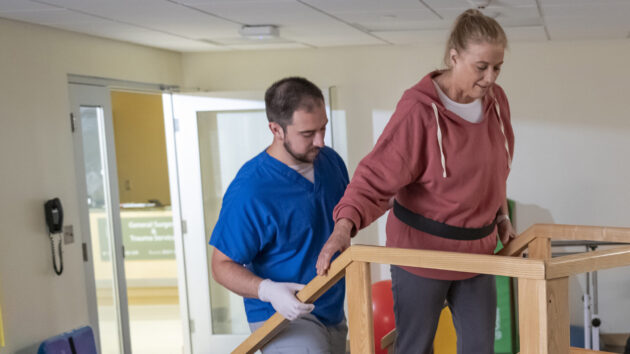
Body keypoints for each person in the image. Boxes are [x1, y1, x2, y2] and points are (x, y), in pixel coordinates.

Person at [316, 9, 516, 354]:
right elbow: (374, 177)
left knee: (481, 348)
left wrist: (501, 215)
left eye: (497, 67)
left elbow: (495, 169)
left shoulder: (497, 103)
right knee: (415, 348)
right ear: (454, 57)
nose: (490, 78)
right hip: (421, 252)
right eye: (481, 67)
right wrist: (342, 229)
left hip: (478, 252)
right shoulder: (419, 111)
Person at [209, 77, 349, 353]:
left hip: (331, 307)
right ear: (276, 129)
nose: (320, 141)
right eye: (308, 134)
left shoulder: (330, 162)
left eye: (323, 128)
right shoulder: (250, 189)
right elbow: (221, 265)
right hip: (280, 314)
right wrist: (268, 290)